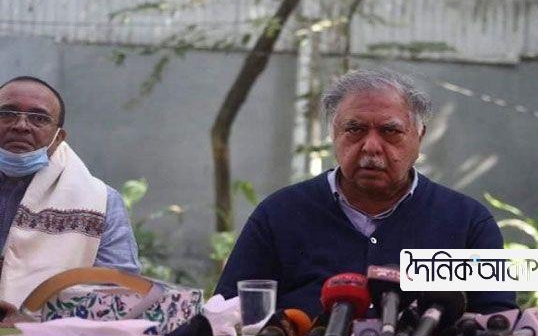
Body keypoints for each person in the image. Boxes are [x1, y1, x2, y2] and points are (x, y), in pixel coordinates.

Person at [216, 69, 515, 316]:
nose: (371, 147)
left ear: (419, 136)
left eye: (390, 131)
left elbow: (498, 319)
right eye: (355, 129)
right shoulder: (280, 214)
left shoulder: (466, 221)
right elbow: (228, 313)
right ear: (333, 133)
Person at [0, 76, 140, 315]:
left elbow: (120, 293)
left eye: (39, 118)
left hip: (51, 333)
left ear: (58, 138)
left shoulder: (100, 200)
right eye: (7, 114)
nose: (21, 126)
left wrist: (38, 318)